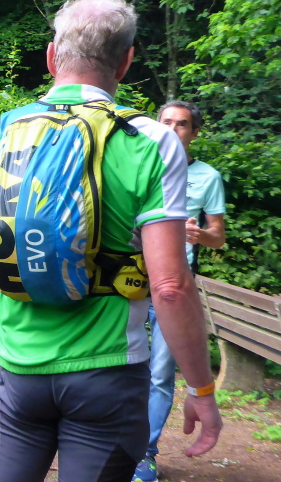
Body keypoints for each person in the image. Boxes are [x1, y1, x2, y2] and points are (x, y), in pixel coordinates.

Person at [0, 0, 222, 481]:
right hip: (108, 378)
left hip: (18, 376)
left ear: (52, 56)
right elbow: (170, 287)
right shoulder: (151, 141)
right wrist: (201, 389)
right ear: (126, 61)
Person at [133, 101, 226, 482]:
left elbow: (218, 236)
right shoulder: (136, 164)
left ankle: (144, 455)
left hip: (174, 286)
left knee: (159, 375)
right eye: (166, 122)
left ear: (194, 132)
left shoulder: (208, 177)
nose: (173, 129)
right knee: (117, 368)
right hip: (128, 283)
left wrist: (199, 234)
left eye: (182, 124)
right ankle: (111, 447)